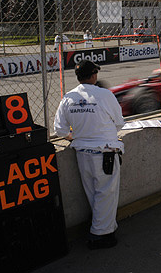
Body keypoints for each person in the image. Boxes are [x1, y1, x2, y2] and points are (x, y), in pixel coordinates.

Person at [54, 59, 125, 249]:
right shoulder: (104, 95)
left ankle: (101, 228)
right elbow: (119, 123)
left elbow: (59, 130)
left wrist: (77, 137)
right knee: (106, 194)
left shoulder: (68, 98)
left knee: (93, 193)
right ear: (94, 75)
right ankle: (100, 235)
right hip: (105, 152)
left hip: (82, 152)